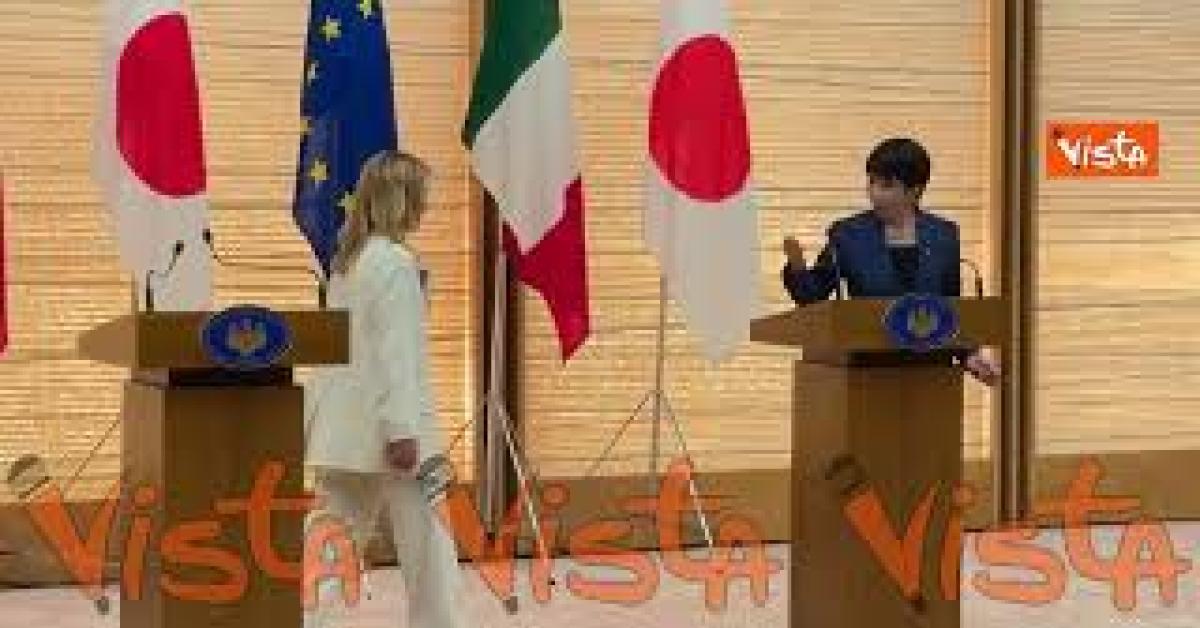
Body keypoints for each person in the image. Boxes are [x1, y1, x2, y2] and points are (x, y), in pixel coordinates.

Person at [303, 150, 466, 628]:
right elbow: (397, 356)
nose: (427, 206)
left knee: (332, 547)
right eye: (421, 195)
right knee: (431, 549)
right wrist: (401, 430)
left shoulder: (345, 263)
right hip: (398, 432)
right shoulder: (395, 264)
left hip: (341, 430)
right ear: (402, 199)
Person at [781, 137, 1000, 386]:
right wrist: (798, 267)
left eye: (885, 185)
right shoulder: (848, 234)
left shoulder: (943, 235)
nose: (874, 192)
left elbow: (950, 310)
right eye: (871, 182)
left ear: (915, 191)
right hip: (867, 376)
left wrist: (970, 356)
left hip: (931, 376)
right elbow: (812, 298)